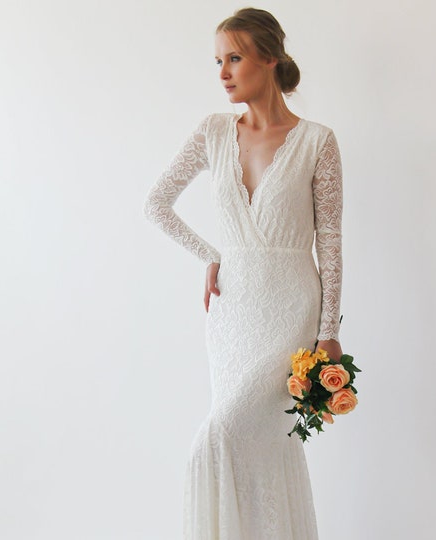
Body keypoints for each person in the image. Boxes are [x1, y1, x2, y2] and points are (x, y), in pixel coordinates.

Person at [144, 7, 343, 539]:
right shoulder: (212, 132)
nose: (223, 73)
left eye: (234, 58)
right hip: (231, 314)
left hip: (291, 311)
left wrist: (328, 332)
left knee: (223, 436)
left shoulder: (318, 141)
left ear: (270, 58)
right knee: (244, 446)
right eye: (218, 61)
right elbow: (156, 204)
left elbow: (330, 242)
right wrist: (210, 254)